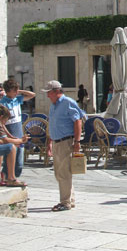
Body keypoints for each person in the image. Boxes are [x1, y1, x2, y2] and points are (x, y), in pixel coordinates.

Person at [43, 80, 83, 212]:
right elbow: (52, 123)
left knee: (64, 172)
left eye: (49, 93)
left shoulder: (68, 103)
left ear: (56, 92)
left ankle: (65, 202)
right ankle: (70, 200)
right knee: (59, 173)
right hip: (56, 141)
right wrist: (49, 142)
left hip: (65, 141)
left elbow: (78, 121)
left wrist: (77, 142)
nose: (47, 95)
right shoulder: (53, 105)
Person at [0, 79, 35, 179]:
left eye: (16, 90)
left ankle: (14, 176)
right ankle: (7, 177)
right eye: (14, 90)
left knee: (19, 160)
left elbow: (32, 94)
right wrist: (9, 135)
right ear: (8, 91)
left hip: (19, 131)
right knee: (10, 157)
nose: (15, 92)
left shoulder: (17, 99)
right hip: (10, 132)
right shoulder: (2, 104)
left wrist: (19, 91)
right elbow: (1, 123)